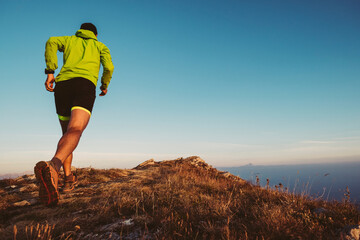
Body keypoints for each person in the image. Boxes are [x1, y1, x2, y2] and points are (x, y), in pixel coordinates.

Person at [34, 23, 114, 206]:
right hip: (84, 85)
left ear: (80, 30)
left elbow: (51, 41)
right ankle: (54, 166)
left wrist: (50, 72)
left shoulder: (69, 40)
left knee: (66, 133)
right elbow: (109, 67)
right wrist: (104, 84)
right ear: (95, 34)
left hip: (62, 86)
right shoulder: (100, 46)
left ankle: (68, 179)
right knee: (76, 129)